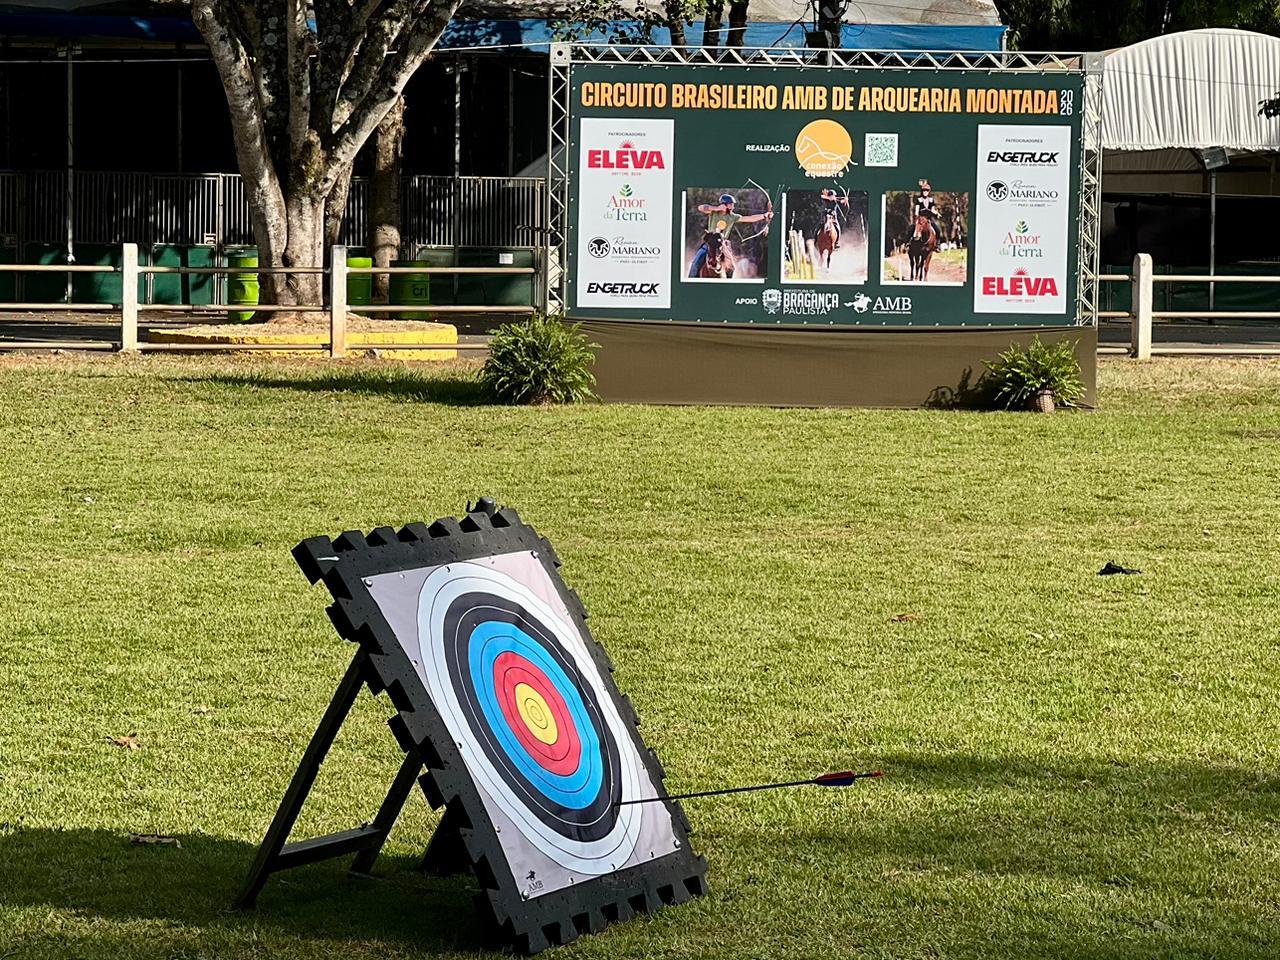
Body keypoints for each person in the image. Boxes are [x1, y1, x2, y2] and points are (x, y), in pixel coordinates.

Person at [688, 193, 773, 278]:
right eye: (731, 204)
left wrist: (764, 216)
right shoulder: (714, 212)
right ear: (724, 204)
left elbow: (748, 218)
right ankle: (691, 283)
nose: (733, 206)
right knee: (696, 262)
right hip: (710, 243)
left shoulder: (732, 216)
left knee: (732, 267)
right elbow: (701, 208)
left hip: (722, 244)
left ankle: (729, 284)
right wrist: (717, 208)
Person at [912, 179, 944, 245]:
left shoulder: (931, 200)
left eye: (926, 191)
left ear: (928, 192)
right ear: (922, 191)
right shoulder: (919, 200)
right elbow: (916, 211)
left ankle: (937, 245)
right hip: (920, 219)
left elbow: (932, 210)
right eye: (924, 191)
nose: (925, 192)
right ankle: (908, 242)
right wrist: (917, 218)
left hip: (929, 219)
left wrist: (937, 213)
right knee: (911, 229)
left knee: (937, 230)